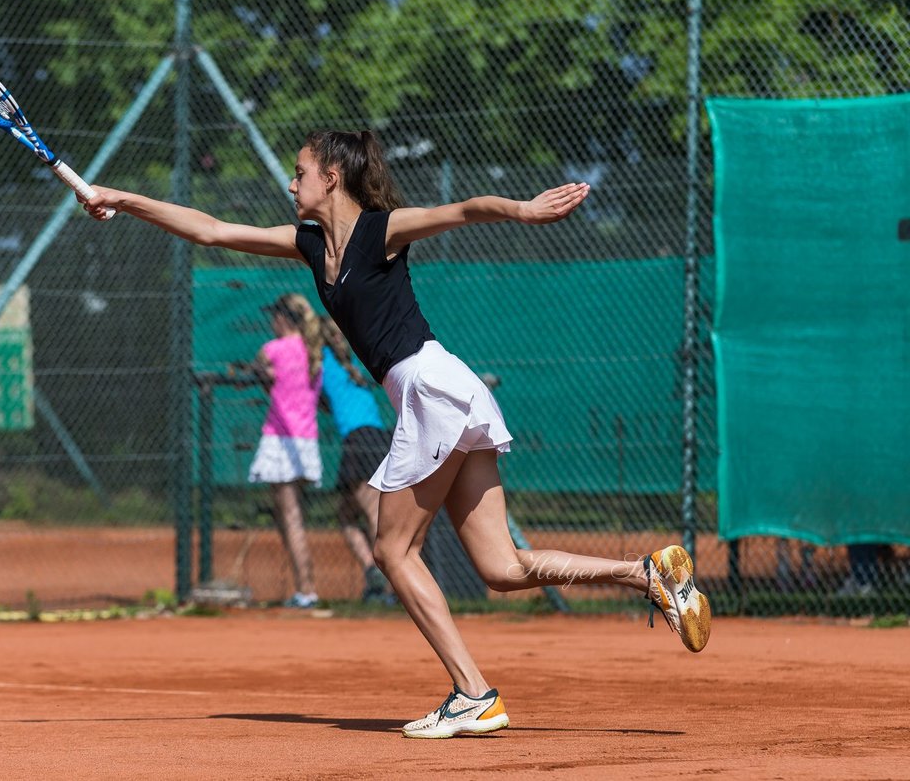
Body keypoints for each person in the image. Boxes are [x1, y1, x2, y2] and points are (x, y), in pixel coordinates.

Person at [82, 129, 711, 739]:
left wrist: (522, 209)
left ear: (331, 178)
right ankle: (647, 573)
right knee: (502, 566)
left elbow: (461, 209)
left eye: (299, 171)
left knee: (392, 551)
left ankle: (474, 694)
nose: (290, 180)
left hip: (430, 389)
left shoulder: (379, 232)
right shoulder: (309, 245)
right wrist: (123, 199)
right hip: (445, 391)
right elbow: (212, 229)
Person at [248, 293, 325, 609]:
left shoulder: (272, 350)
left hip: (281, 440)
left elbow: (260, 372)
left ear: (284, 319)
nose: (271, 322)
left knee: (290, 517)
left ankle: (306, 589)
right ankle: (304, 586)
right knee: (291, 516)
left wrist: (262, 375)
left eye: (274, 317)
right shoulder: (314, 353)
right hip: (307, 441)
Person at [318, 314, 395, 604]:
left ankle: (387, 585)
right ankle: (373, 572)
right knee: (348, 515)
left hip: (360, 439)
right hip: (380, 438)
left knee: (372, 514)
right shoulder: (355, 365)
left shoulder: (322, 359)